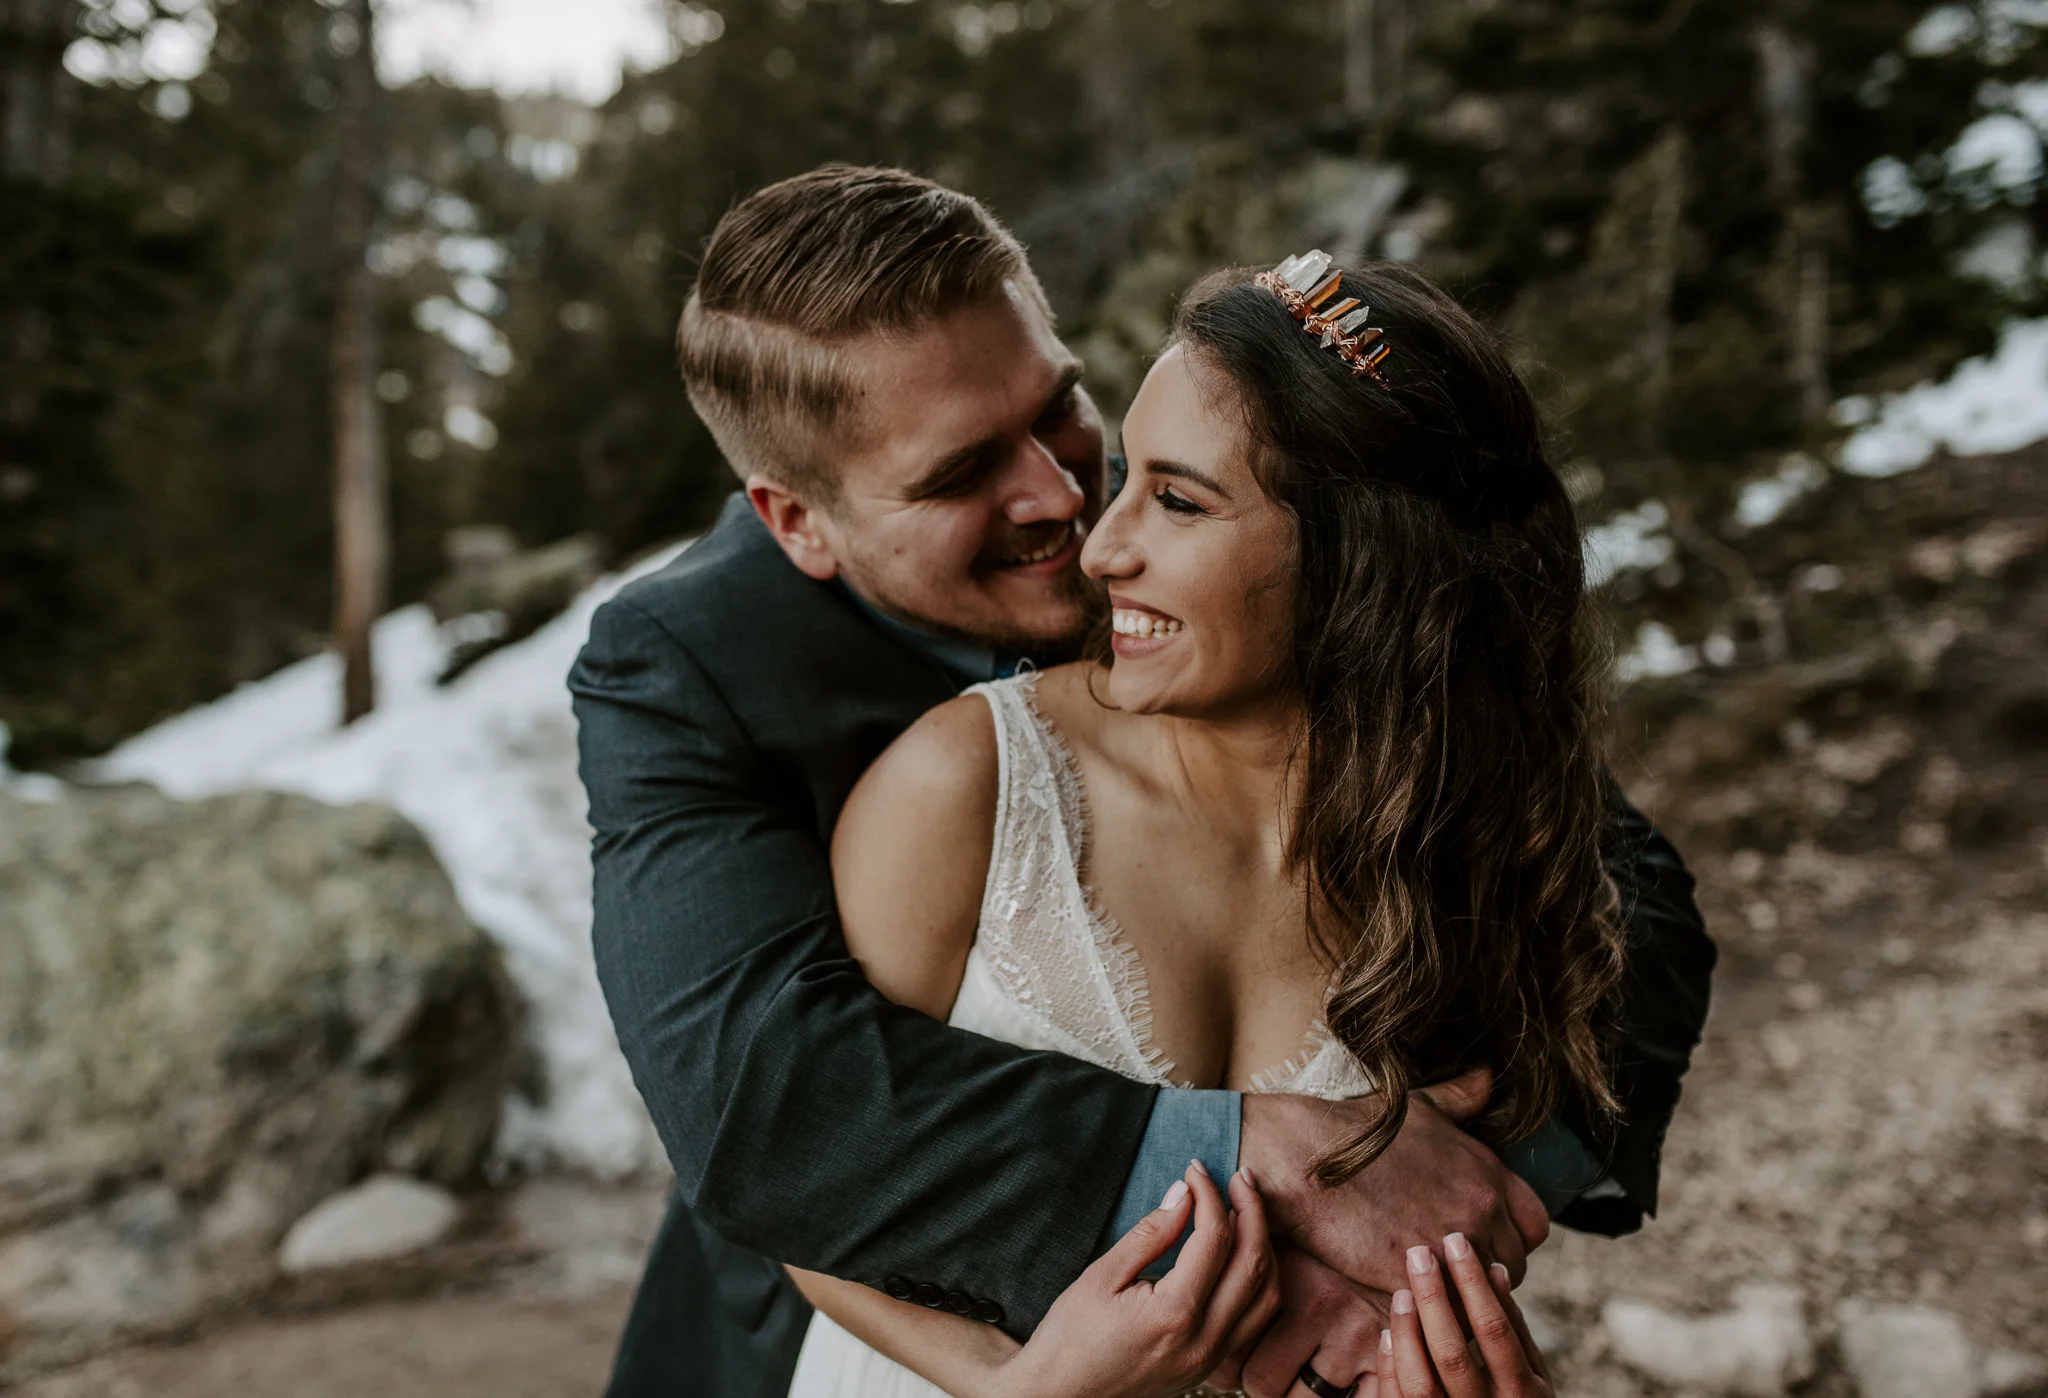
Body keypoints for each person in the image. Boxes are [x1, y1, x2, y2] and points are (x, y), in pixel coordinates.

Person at [568, 167, 1716, 1398]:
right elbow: (769, 1101)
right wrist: (1248, 1161)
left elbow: (1616, 884)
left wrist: (1455, 1209)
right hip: (885, 1306)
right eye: (961, 474)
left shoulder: (1250, 547)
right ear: (795, 520)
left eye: (1056, 406)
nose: (1066, 504)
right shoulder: (685, 667)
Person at [778, 254, 1632, 1396]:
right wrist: (1013, 1388)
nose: (1100, 547)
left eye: (1178, 501)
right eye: (1125, 476)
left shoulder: (1474, 860)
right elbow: (808, 1195)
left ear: (1359, 560)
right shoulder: (969, 786)